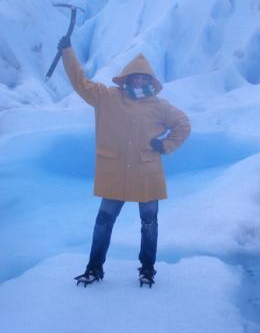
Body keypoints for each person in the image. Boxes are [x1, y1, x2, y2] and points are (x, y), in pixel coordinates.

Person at [58, 35, 191, 287]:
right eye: (135, 76)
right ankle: (94, 269)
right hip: (115, 172)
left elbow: (183, 125)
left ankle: (147, 269)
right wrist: (67, 52)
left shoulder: (160, 106)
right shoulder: (106, 97)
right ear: (127, 78)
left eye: (143, 77)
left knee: (149, 224)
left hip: (146, 173)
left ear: (150, 81)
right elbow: (80, 82)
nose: (139, 80)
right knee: (103, 223)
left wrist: (166, 145)